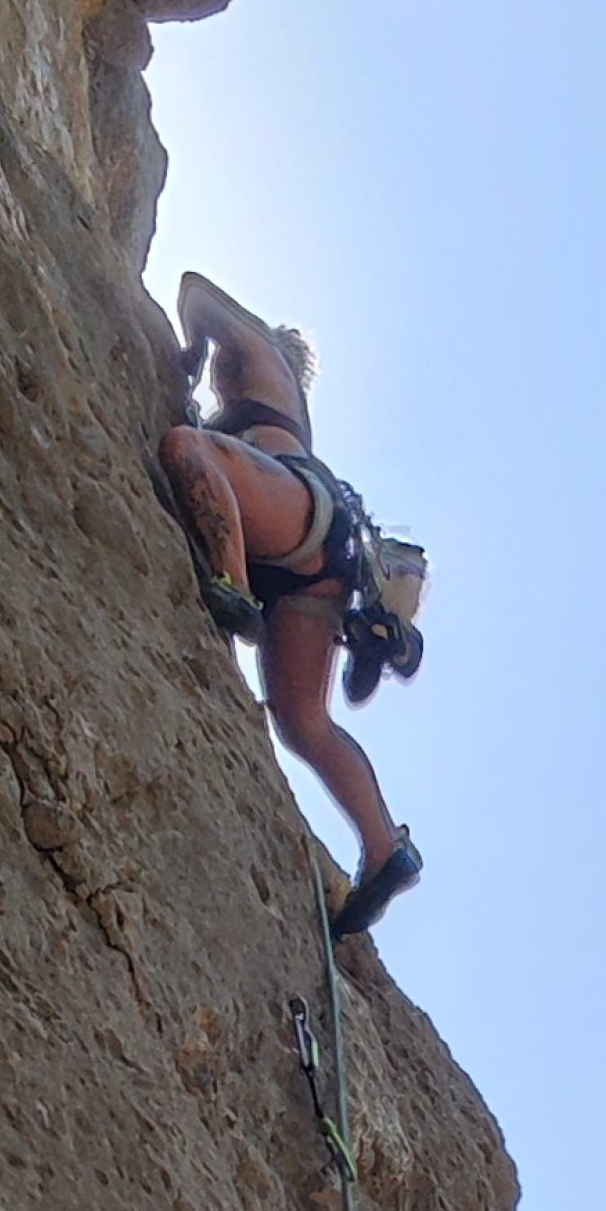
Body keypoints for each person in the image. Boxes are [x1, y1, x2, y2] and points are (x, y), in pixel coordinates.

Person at [158, 272, 428, 941]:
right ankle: (385, 848)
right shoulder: (277, 401)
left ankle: (232, 585)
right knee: (302, 721)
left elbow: (193, 292)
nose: (221, 379)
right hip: (315, 561)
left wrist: (193, 350)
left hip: (295, 515)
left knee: (188, 449)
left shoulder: (258, 349)